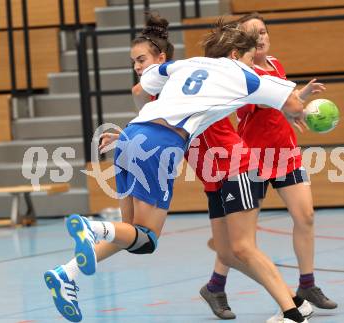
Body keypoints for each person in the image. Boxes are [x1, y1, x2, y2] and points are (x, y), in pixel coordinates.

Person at [44, 18, 307, 323]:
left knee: (132, 235)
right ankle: (93, 228)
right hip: (169, 145)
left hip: (133, 135)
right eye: (249, 57)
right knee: (148, 239)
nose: (253, 63)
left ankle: (67, 274)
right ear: (236, 55)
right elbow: (291, 101)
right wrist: (302, 112)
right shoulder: (243, 75)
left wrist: (138, 131)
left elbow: (142, 88)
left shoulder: (184, 65)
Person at [203, 13, 337, 321]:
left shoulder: (275, 64)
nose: (260, 38)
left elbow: (284, 102)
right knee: (240, 238)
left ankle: (307, 285)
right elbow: (265, 103)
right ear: (242, 44)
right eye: (253, 35)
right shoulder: (243, 75)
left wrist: (300, 101)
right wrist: (294, 101)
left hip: (285, 153)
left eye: (263, 31)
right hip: (252, 157)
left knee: (306, 215)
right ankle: (215, 286)